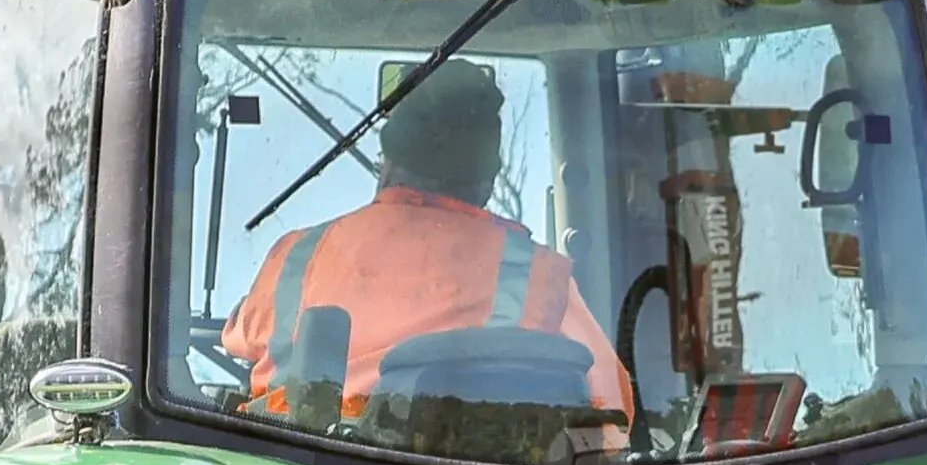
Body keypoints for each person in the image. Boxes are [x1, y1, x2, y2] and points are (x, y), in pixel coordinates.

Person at [225, 64, 630, 422]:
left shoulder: (297, 255)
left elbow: (238, 338)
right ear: (487, 180)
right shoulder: (538, 276)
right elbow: (612, 411)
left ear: (388, 162)